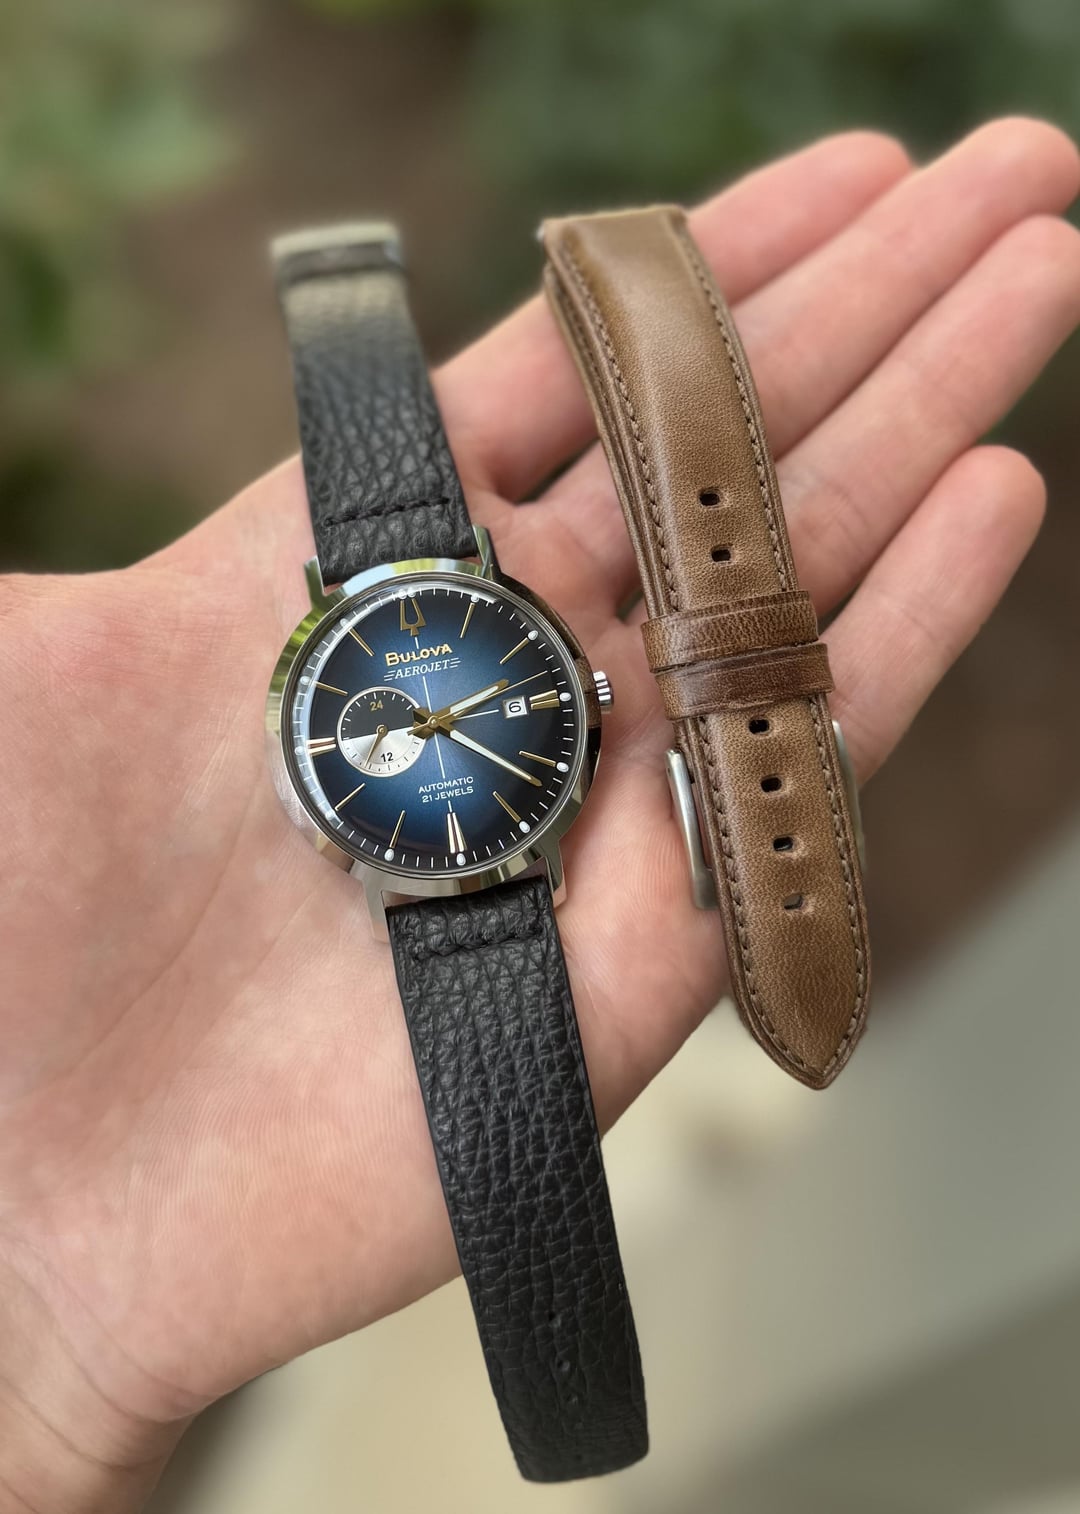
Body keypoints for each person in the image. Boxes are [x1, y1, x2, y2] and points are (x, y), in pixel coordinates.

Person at [2, 117, 1079, 1512]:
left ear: (577, 690)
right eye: (410, 721)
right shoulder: (372, 755)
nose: (432, 723)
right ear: (309, 745)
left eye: (452, 707)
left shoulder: (484, 714)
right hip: (447, 864)